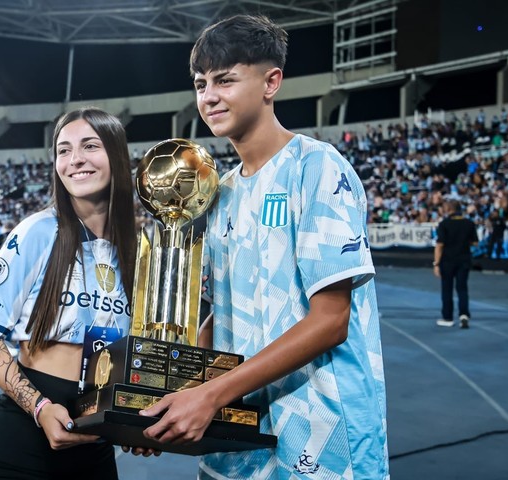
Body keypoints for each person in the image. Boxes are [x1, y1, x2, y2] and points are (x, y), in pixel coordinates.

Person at [139, 15, 389, 479]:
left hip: (320, 431)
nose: (209, 96)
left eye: (226, 80)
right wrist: (172, 397)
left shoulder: (316, 167)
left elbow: (331, 321)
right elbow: (222, 315)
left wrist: (210, 395)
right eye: (200, 83)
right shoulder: (219, 192)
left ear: (271, 81)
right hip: (239, 435)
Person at [0, 107, 151, 479]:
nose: (75, 160)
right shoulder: (37, 232)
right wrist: (39, 407)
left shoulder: (140, 249)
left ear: (116, 154)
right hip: (22, 444)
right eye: (63, 150)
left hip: (96, 443)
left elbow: (135, 351)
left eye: (89, 146)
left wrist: (135, 415)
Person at [433, 199, 479, 329]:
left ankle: (447, 317)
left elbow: (439, 245)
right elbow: (475, 242)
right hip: (464, 259)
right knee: (462, 288)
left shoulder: (444, 224)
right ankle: (464, 314)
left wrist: (436, 263)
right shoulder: (469, 224)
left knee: (447, 289)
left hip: (447, 261)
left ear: (449, 209)